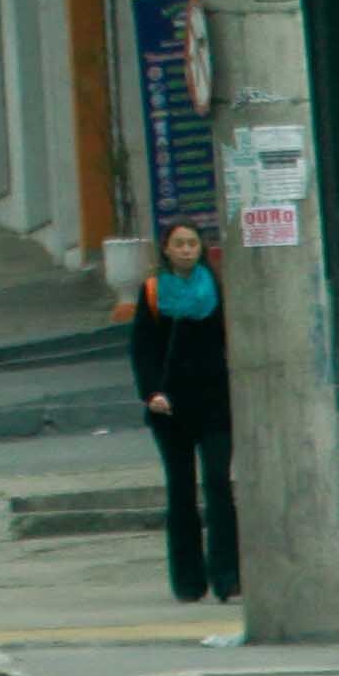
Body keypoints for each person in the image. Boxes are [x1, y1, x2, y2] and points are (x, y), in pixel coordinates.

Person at [128, 222, 240, 603]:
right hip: (170, 407)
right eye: (180, 244)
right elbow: (142, 349)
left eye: (193, 243)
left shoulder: (215, 288)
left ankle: (229, 578)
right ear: (167, 249)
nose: (187, 250)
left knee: (219, 484)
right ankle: (189, 582)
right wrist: (151, 393)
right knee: (181, 492)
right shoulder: (154, 291)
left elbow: (232, 340)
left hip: (214, 404)